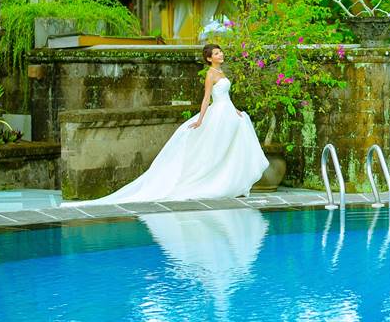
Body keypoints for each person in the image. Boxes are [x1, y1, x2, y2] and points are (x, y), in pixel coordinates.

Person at [64, 43, 269, 206]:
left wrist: (234, 110)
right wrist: (200, 119)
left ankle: (231, 179)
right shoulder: (211, 74)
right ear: (209, 58)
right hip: (217, 113)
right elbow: (207, 98)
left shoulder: (222, 73)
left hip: (227, 112)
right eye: (216, 53)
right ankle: (212, 180)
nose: (221, 55)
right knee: (213, 148)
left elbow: (225, 95)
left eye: (220, 52)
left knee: (236, 137)